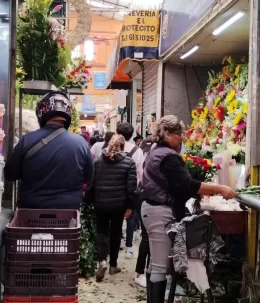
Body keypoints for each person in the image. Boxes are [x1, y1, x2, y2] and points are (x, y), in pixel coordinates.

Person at [141, 115, 236, 301]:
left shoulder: (157, 151)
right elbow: (185, 185)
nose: (181, 138)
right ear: (167, 134)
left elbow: (178, 185)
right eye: (178, 134)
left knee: (155, 265)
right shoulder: (167, 157)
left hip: (152, 209)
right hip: (159, 210)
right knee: (160, 267)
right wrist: (219, 189)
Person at [4, 92, 94, 209]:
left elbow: (10, 174)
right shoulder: (81, 143)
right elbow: (88, 177)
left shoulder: (27, 140)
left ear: (41, 113)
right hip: (68, 212)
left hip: (31, 210)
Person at [84, 135, 137, 282]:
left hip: (100, 203)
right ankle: (113, 264)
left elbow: (91, 183)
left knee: (102, 232)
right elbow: (131, 188)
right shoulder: (129, 162)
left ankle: (102, 261)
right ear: (123, 147)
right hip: (118, 205)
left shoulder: (98, 162)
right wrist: (130, 206)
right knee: (115, 232)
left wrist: (87, 199)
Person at [116, 123, 145, 260]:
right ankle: (128, 248)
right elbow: (141, 172)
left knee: (116, 217)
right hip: (132, 188)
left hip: (115, 188)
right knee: (131, 217)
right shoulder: (137, 150)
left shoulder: (112, 147)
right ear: (132, 135)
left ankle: (118, 242)